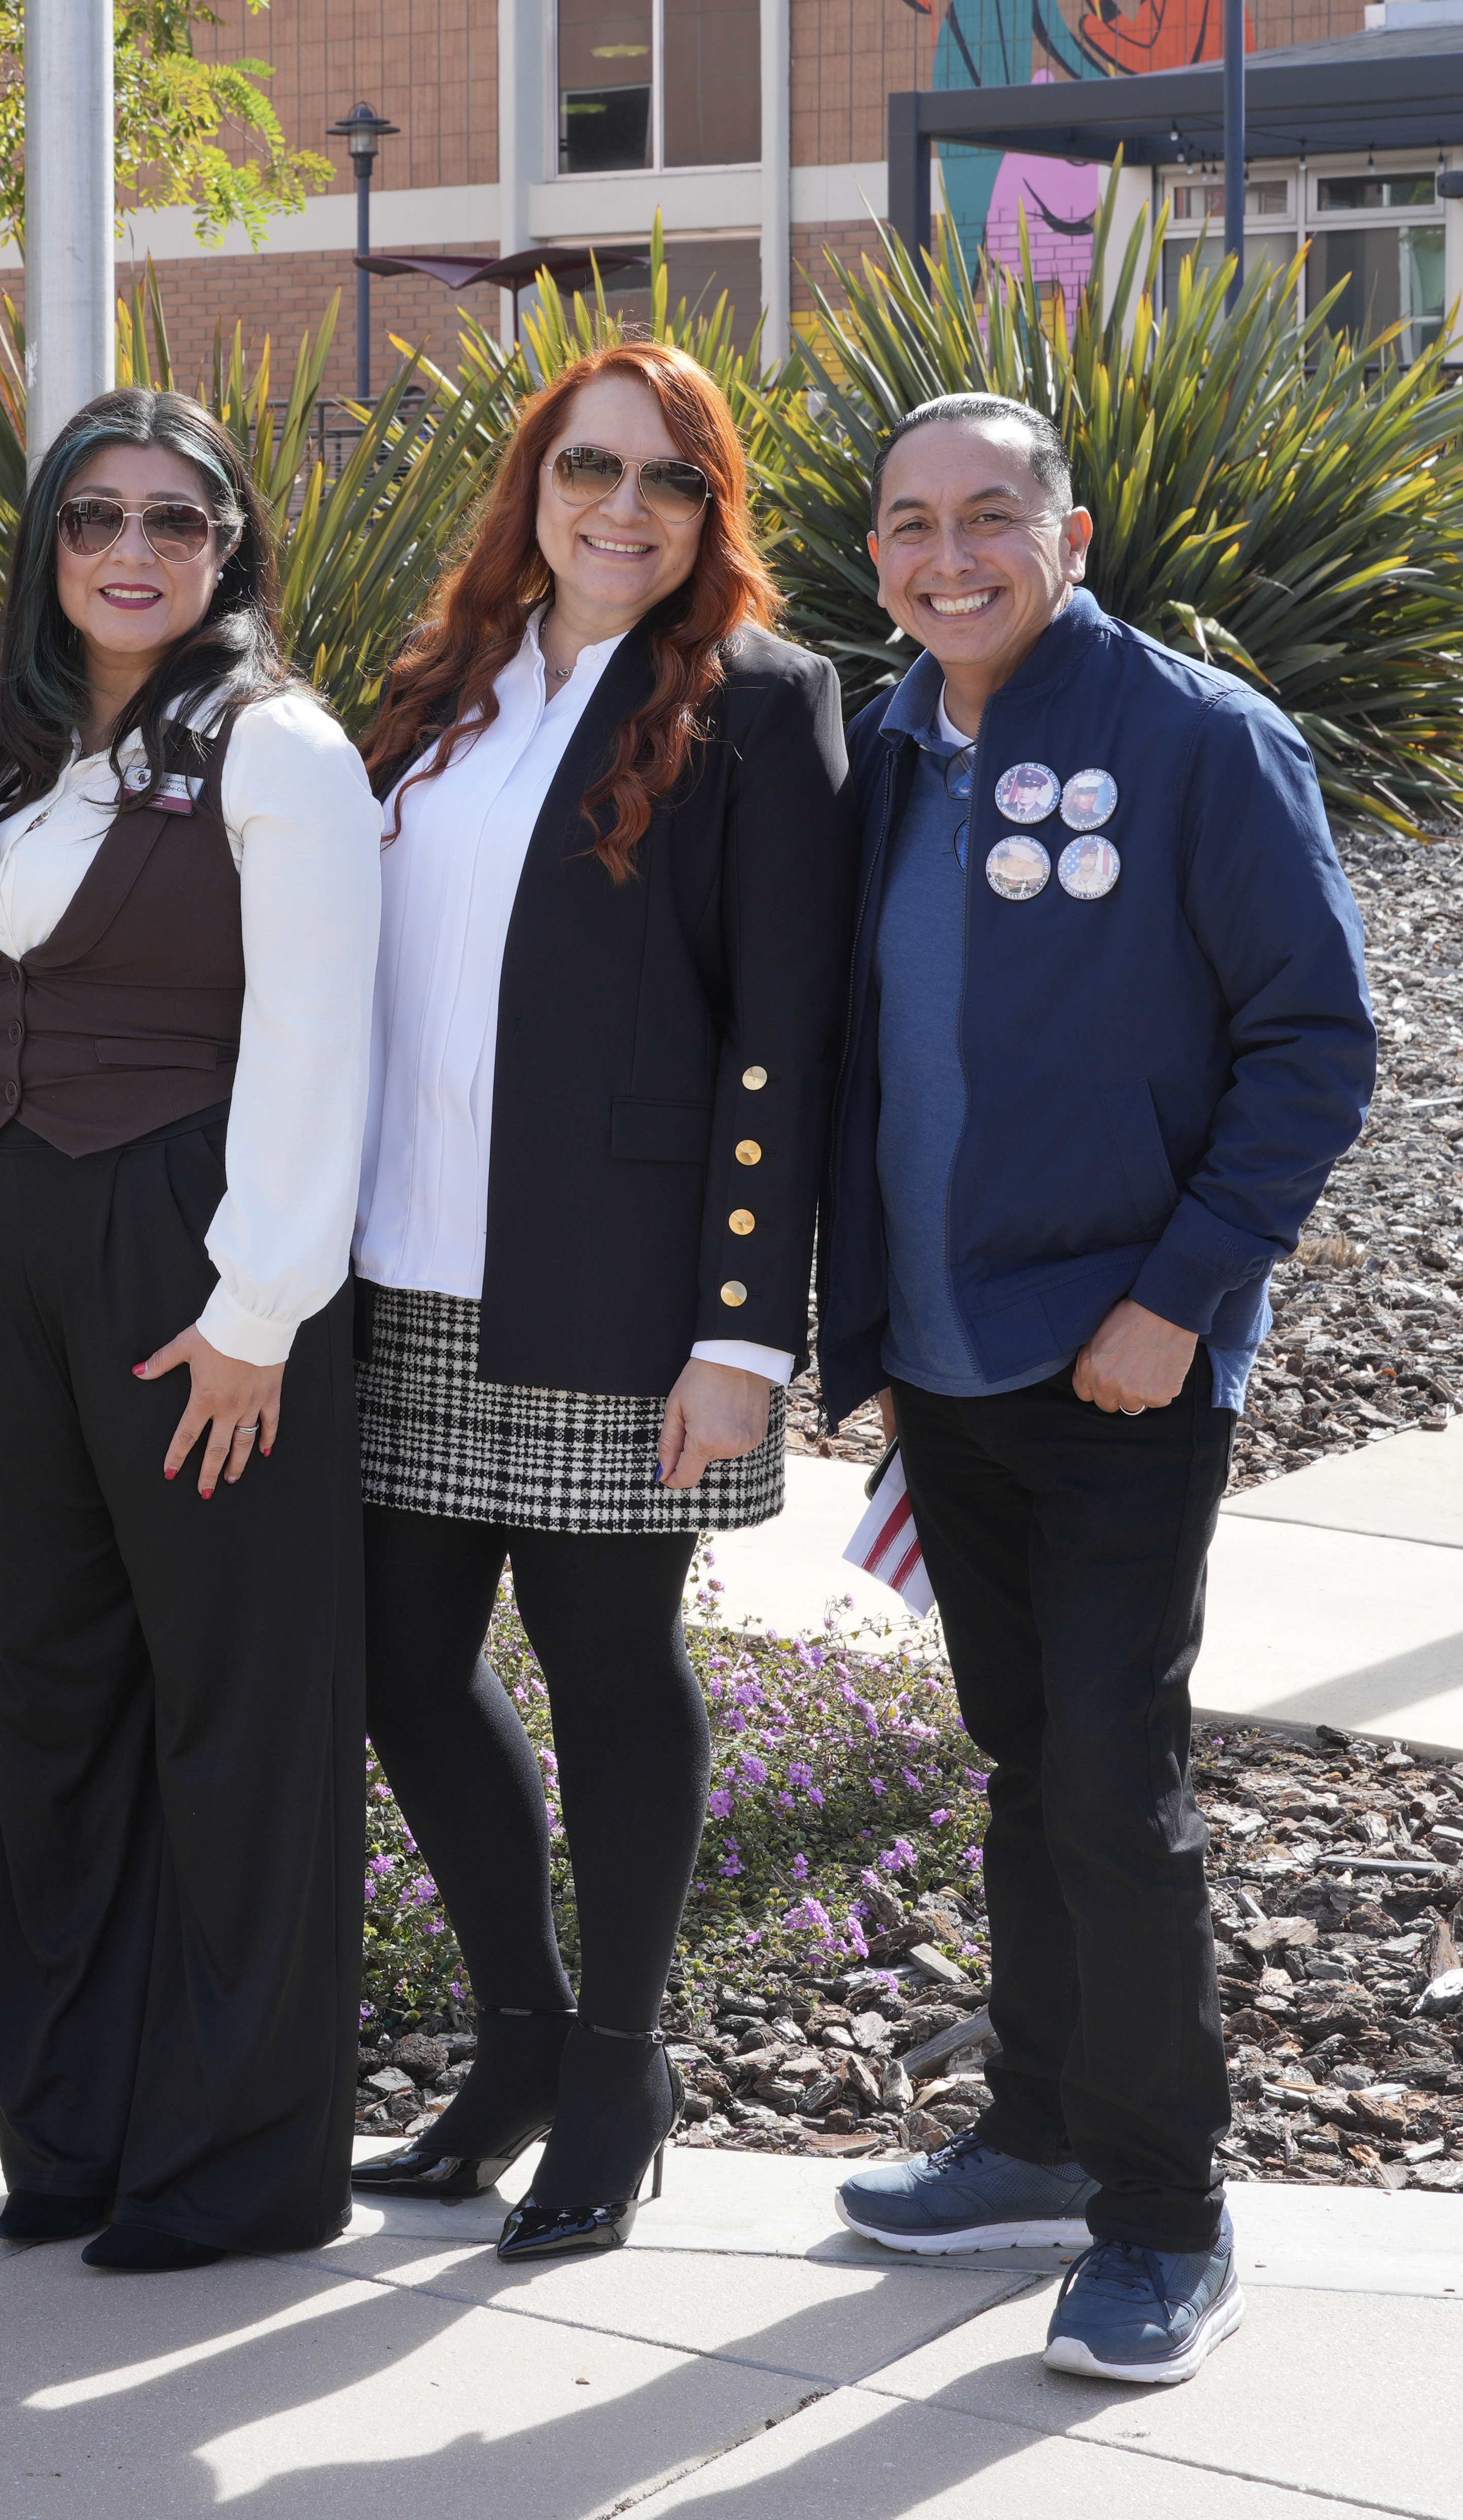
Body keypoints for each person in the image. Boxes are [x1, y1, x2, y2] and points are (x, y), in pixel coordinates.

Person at [823, 392, 1374, 2390]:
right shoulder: (886, 749)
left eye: (987, 516)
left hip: (1122, 1367)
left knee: (1118, 1796)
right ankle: (1039, 2131)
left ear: (1066, 531)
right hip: (949, 1364)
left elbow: (1314, 1048)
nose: (946, 555)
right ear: (872, 553)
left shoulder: (1201, 740)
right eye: (909, 522)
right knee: (1024, 1762)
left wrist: (1176, 1299)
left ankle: (1164, 2213)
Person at [343, 343, 857, 2263]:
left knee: (610, 1671)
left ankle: (624, 2061)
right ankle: (524, 2040)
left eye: (665, 480)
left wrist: (743, 1336)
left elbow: (789, 1036)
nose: (619, 508)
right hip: (405, 1266)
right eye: (587, 469)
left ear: (711, 510)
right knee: (398, 1670)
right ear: (531, 486)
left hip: (622, 1291)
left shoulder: (758, 702)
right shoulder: (440, 693)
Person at [0, 385, 381, 2272]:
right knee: (52, 1699)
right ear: (47, 545)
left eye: (175, 522)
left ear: (230, 550)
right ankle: (77, 2138)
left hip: (197, 1257)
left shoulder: (279, 750)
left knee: (238, 1712)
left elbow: (317, 1039)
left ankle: (239, 2167)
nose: (132, 552)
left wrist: (257, 1309)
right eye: (95, 517)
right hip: (7, 1244)